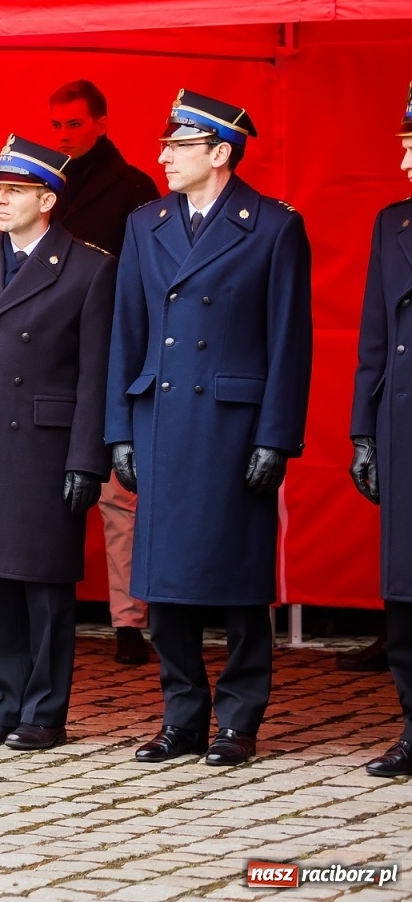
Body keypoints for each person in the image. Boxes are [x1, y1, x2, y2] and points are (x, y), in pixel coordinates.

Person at [109, 90, 311, 767]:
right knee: (164, 587)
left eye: (179, 145)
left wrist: (276, 436)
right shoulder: (146, 223)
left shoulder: (273, 226)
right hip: (162, 418)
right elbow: (126, 331)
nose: (163, 156)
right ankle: (182, 718)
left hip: (232, 427)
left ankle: (240, 721)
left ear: (219, 153)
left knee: (238, 586)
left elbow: (289, 342)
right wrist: (119, 430)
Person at [0, 136, 116, 752]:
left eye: (13, 192)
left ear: (46, 198)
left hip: (44, 447)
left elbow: (95, 374)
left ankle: (45, 711)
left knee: (44, 586)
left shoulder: (88, 266)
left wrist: (87, 457)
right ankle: (4, 701)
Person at [48, 80, 161, 667]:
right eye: (57, 126)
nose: (64, 135)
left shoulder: (135, 187)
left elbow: (146, 277)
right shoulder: (49, 181)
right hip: (53, 353)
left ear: (100, 122)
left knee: (119, 498)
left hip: (114, 350)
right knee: (51, 490)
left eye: (73, 124)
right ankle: (47, 610)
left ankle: (128, 621)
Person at [345, 83, 412, 778]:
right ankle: (411, 724)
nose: (404, 160)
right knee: (404, 587)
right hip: (402, 425)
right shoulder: (392, 224)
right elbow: (373, 335)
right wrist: (363, 431)